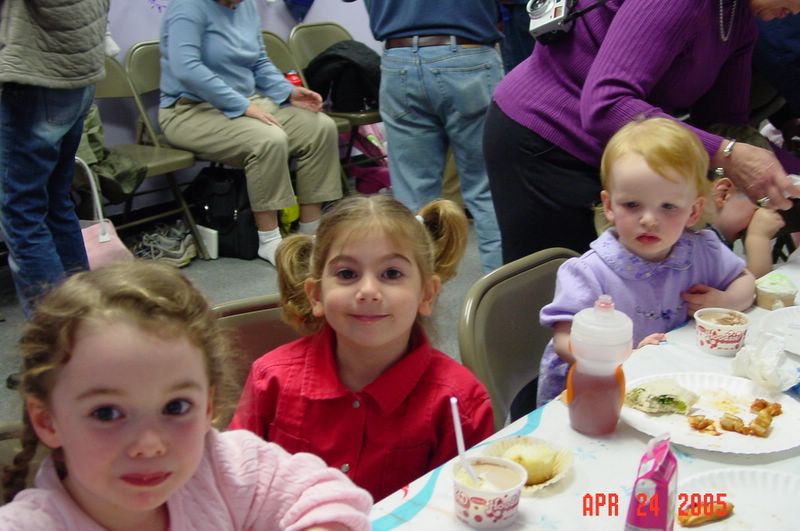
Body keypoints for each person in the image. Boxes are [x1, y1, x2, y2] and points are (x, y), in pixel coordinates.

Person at [0, 261, 372, 530]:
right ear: (47, 421)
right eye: (107, 413)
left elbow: (326, 494)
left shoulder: (219, 465)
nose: (149, 445)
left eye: (176, 407)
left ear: (208, 406)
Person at [484, 0, 800, 265]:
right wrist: (727, 154)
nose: (797, 13)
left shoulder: (737, 18)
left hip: (616, 153)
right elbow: (607, 105)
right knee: (564, 297)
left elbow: (725, 125)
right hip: (546, 140)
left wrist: (788, 173)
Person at [229, 195, 494, 501]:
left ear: (426, 294)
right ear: (316, 295)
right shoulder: (270, 379)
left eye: (391, 273)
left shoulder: (461, 403)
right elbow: (234, 485)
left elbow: (470, 505)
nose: (368, 291)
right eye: (347, 274)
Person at [537, 118, 756, 406]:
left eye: (668, 206)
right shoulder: (589, 272)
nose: (649, 220)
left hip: (671, 380)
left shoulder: (702, 250)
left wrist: (727, 300)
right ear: (609, 205)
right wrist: (622, 356)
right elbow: (564, 341)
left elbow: (746, 281)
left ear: (693, 211)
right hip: (593, 394)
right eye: (632, 205)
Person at [159, 0, 343, 265]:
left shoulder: (245, 6)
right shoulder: (188, 7)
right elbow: (187, 68)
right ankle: (269, 241)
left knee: (320, 127)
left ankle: (310, 234)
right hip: (189, 110)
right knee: (269, 139)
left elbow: (258, 62)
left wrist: (288, 92)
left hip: (246, 101)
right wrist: (242, 105)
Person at [342, 0, 504, 273]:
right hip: (469, 56)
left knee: (412, 201)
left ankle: (413, 297)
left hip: (399, 60)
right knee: (488, 192)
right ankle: (501, 296)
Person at [0, 0, 109, 317]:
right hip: (75, 72)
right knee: (54, 203)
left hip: (39, 76)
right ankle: (85, 323)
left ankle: (58, 338)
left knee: (23, 213)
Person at [709, 175, 786, 278]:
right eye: (761, 203)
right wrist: (758, 236)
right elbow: (758, 285)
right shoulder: (701, 241)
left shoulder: (719, 238)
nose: (764, 213)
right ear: (724, 193)